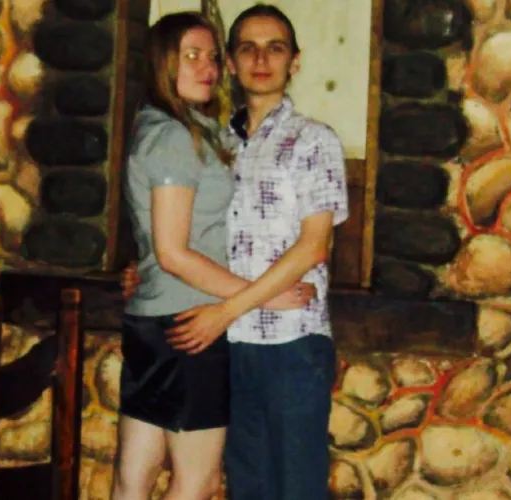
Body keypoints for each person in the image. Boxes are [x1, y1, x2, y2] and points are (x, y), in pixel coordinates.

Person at [124, 5, 350, 499]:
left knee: (296, 488)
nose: (261, 59)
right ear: (231, 63)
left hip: (290, 340)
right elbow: (190, 229)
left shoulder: (314, 140)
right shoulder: (214, 139)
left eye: (275, 48)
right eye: (247, 48)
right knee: (245, 488)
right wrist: (147, 266)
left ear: (295, 61)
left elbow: (314, 246)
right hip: (231, 343)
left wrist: (227, 309)